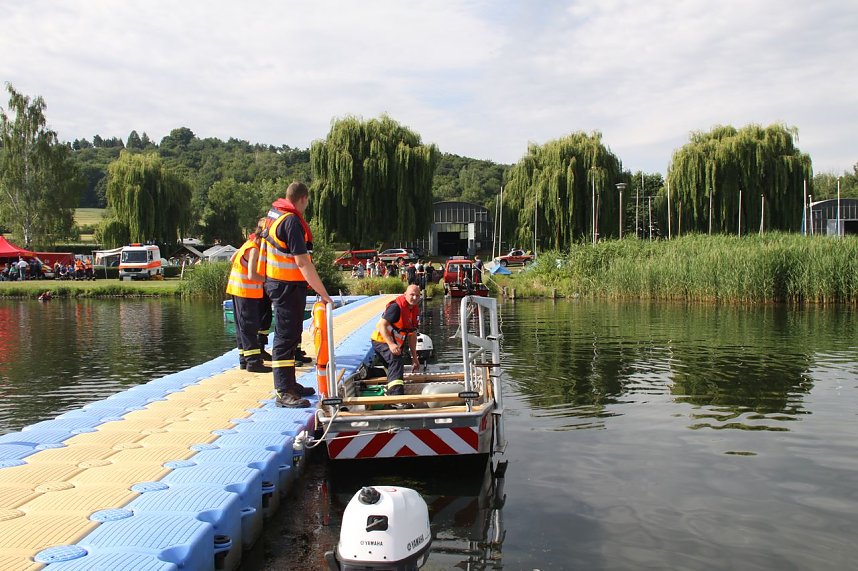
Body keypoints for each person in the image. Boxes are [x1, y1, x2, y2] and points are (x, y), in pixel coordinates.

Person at [259, 181, 332, 408]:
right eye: (307, 202)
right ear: (303, 199)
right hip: (286, 286)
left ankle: (290, 384)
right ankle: (283, 392)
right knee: (285, 338)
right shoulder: (290, 221)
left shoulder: (276, 215)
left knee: (291, 336)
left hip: (281, 284)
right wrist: (324, 293)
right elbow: (302, 262)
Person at [226, 219, 271, 373]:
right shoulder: (254, 249)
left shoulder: (248, 244)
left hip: (237, 289)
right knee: (250, 327)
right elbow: (252, 274)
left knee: (241, 327)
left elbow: (232, 259)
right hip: (246, 292)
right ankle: (253, 362)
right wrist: (268, 280)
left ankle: (244, 360)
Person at [370, 284, 421, 407]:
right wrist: (391, 344)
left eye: (417, 295)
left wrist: (414, 358)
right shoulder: (396, 307)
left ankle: (369, 373)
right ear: (405, 294)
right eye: (411, 294)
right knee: (396, 360)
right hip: (381, 340)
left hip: (394, 342)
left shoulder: (413, 310)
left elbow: (412, 335)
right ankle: (396, 398)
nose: (414, 297)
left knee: (393, 367)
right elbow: (383, 325)